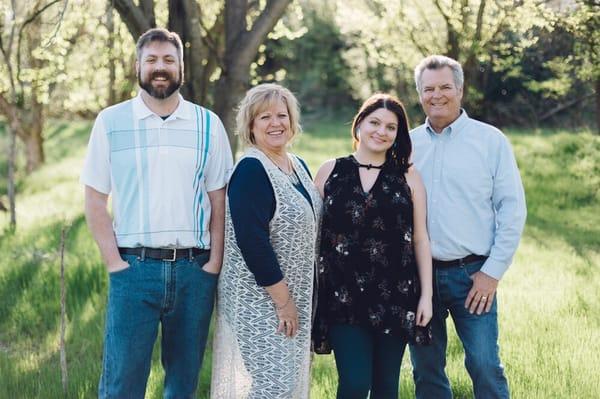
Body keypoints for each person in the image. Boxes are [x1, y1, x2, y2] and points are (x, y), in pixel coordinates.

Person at [81, 28, 233, 399]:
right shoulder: (111, 122)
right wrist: (115, 264)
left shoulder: (207, 124)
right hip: (134, 270)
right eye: (151, 60)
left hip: (194, 271)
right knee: (121, 384)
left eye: (168, 60)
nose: (160, 67)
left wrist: (213, 264)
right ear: (138, 65)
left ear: (181, 67)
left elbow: (219, 200)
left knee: (183, 384)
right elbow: (94, 199)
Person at [408, 55, 527, 399]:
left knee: (485, 364)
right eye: (428, 89)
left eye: (445, 87)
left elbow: (512, 209)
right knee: (427, 369)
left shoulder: (491, 141)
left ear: (460, 90)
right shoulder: (407, 144)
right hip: (419, 276)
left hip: (473, 275)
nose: (437, 95)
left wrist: (492, 273)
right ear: (420, 95)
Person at [312, 93, 433, 399]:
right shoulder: (331, 171)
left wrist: (427, 297)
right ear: (359, 125)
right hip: (342, 296)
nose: (381, 131)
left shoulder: (409, 176)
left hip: (396, 294)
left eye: (391, 127)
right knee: (354, 385)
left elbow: (420, 238)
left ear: (398, 135)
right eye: (374, 122)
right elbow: (310, 236)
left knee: (385, 389)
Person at [210, 83, 322, 398]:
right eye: (264, 118)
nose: (276, 124)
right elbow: (252, 243)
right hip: (261, 300)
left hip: (293, 298)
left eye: (282, 115)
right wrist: (284, 303)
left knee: (284, 384)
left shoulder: (297, 165)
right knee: (274, 386)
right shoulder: (251, 169)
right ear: (251, 126)